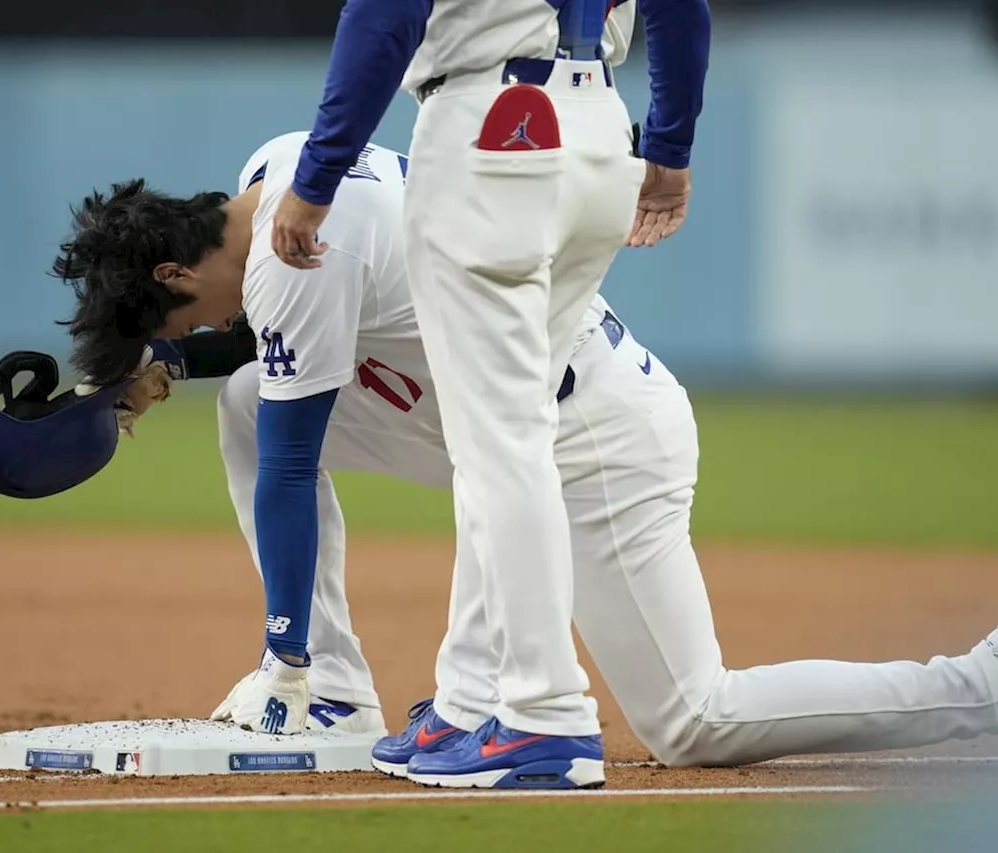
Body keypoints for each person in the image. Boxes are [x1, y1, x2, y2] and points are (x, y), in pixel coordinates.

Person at [33, 131, 998, 792]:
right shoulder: (275, 176)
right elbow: (263, 335)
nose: (193, 322)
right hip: (500, 422)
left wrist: (279, 655)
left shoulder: (297, 258)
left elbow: (293, 463)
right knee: (256, 399)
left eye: (164, 311)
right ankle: (339, 693)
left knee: (691, 720)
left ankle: (992, 681)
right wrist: (154, 357)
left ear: (175, 266)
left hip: (596, 442)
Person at [265, 0, 713, 789]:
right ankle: (472, 698)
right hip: (600, 129)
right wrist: (669, 143)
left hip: (490, 126)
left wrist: (318, 175)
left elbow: (384, 16)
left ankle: (546, 712)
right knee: (506, 430)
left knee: (499, 439)